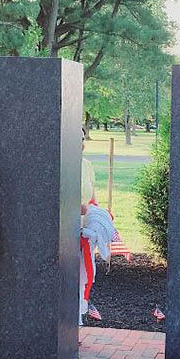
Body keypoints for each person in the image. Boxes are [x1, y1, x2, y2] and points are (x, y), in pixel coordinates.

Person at [79, 129, 97, 324]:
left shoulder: (87, 165)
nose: (81, 143)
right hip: (66, 228)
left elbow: (93, 196)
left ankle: (76, 321)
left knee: (83, 275)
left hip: (85, 229)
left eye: (82, 138)